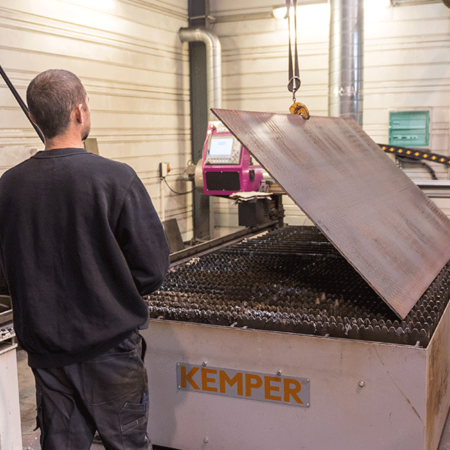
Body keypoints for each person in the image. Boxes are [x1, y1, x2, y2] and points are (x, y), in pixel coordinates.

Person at [0, 69, 170, 450]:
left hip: (46, 354)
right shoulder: (116, 179)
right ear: (80, 112)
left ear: (33, 118)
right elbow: (152, 269)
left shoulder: (7, 187)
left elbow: (4, 274)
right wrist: (107, 293)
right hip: (110, 351)